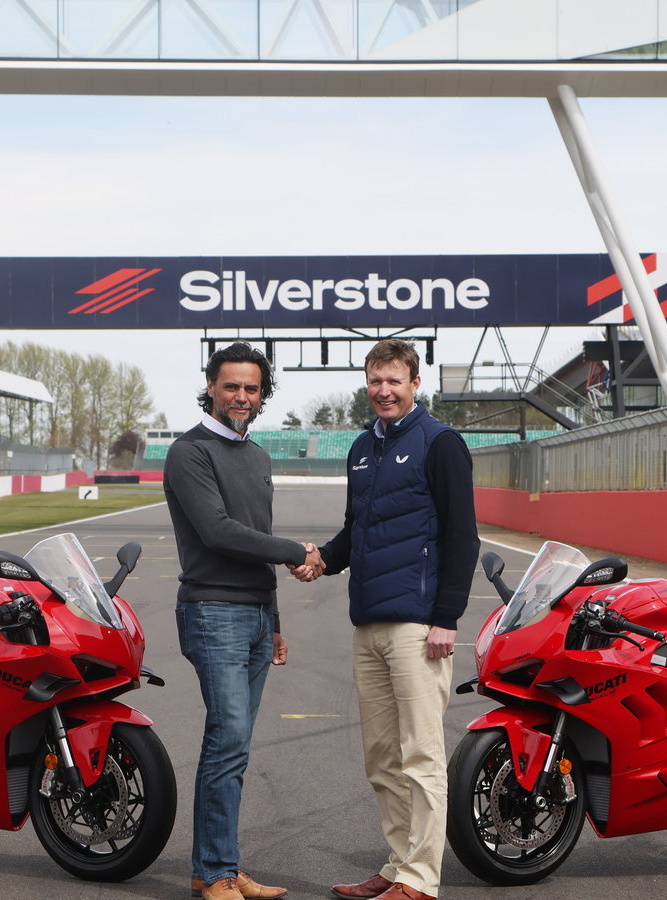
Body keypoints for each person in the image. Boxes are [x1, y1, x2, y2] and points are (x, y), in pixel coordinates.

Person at [302, 339, 480, 900]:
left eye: (394, 380)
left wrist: (447, 616)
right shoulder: (361, 448)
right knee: (382, 757)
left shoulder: (441, 443)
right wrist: (321, 561)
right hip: (369, 623)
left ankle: (422, 882)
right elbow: (356, 531)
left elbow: (462, 537)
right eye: (375, 380)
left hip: (420, 626)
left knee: (421, 754)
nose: (383, 390)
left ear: (414, 384)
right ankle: (398, 864)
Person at [164, 341, 323, 900]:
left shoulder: (257, 456)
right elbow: (219, 531)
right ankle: (212, 874)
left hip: (254, 615)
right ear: (210, 386)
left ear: (263, 394)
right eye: (230, 385)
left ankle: (224, 867)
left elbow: (254, 542)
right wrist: (295, 551)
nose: (241, 396)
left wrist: (274, 618)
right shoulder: (189, 452)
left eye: (251, 388)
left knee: (237, 746)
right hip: (213, 612)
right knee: (226, 740)